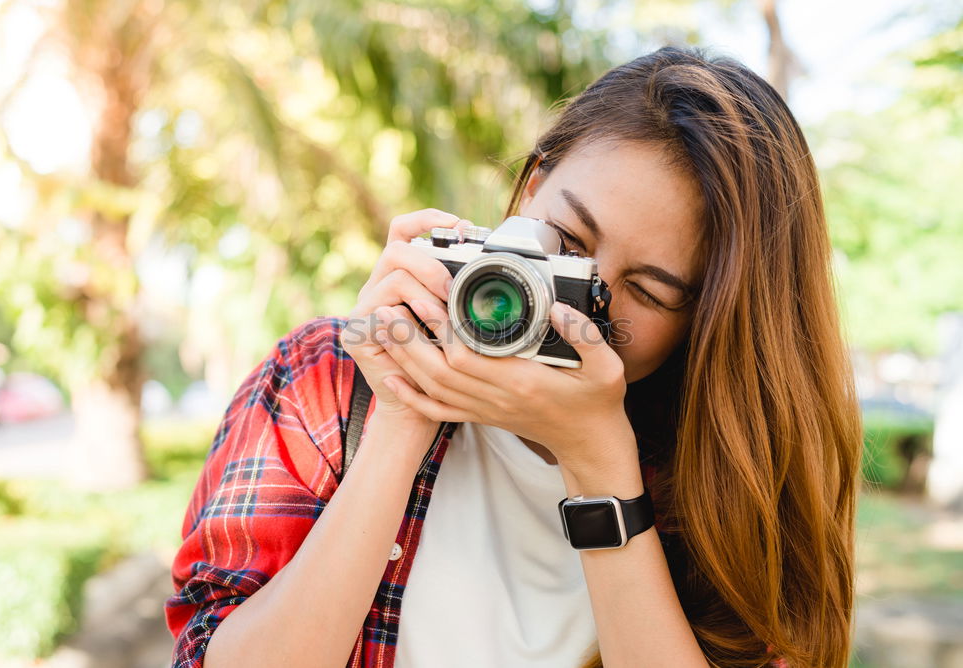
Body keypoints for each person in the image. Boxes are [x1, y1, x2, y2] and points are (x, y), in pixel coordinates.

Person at [165, 46, 861, 668]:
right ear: (531, 188)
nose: (583, 301)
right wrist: (406, 412)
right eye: (566, 239)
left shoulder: (729, 470)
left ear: (707, 322)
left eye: (646, 291)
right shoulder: (328, 377)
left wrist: (601, 463)